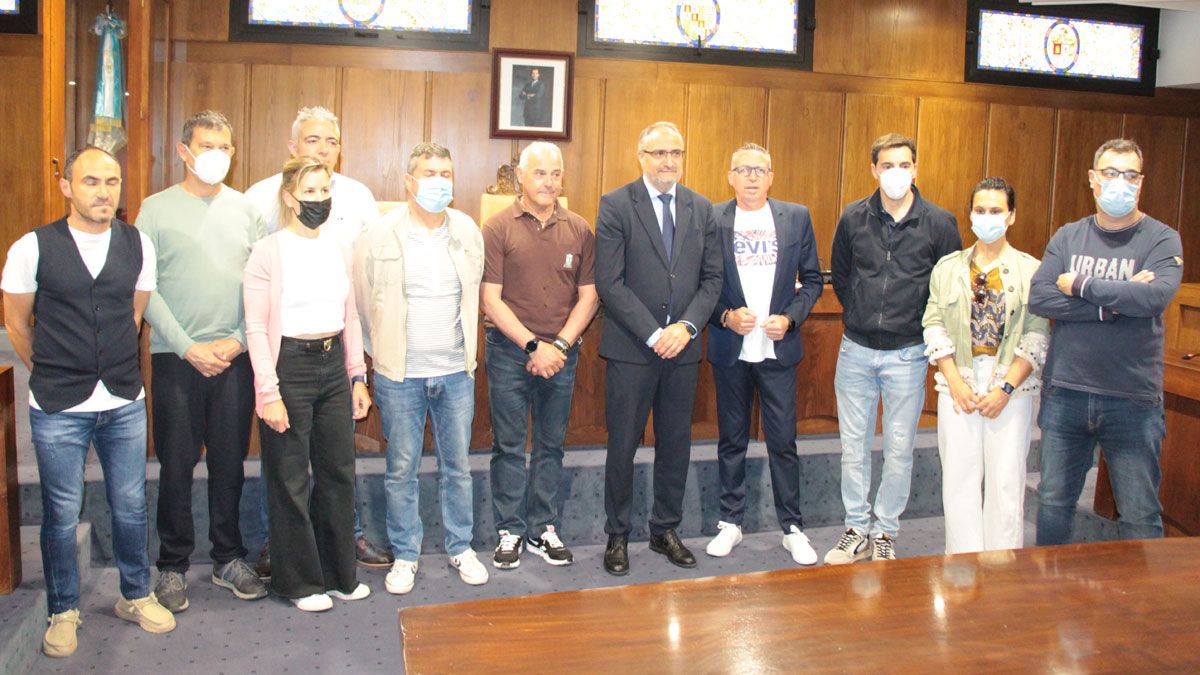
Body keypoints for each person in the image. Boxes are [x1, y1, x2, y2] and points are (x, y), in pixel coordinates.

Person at [2, 147, 175, 657]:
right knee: (60, 511)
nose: (104, 192)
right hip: (58, 404)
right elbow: (16, 323)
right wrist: (51, 369)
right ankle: (63, 609)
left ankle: (135, 594)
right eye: (92, 181)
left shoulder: (137, 243)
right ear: (66, 187)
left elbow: (134, 316)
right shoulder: (32, 247)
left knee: (129, 504)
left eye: (113, 182)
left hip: (123, 398)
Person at [244, 105, 391, 572]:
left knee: (336, 458)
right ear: (292, 147)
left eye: (331, 142)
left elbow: (365, 277)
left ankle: (343, 540)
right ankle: (278, 543)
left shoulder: (358, 196)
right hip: (286, 349)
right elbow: (254, 285)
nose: (323, 150)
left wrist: (359, 364)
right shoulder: (261, 197)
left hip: (339, 347)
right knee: (285, 461)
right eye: (312, 141)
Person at [137, 110, 267, 612]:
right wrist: (188, 346)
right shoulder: (154, 209)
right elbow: (144, 290)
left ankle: (228, 557)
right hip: (176, 356)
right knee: (175, 463)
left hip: (234, 357)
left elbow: (259, 285)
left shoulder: (246, 210)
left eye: (225, 146)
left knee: (230, 462)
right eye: (206, 144)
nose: (216, 154)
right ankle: (172, 565)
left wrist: (236, 341)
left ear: (233, 154)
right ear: (183, 150)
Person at [1029, 138, 1184, 545]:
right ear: (1093, 180)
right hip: (1067, 392)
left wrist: (1080, 284)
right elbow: (1041, 297)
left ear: (1141, 182)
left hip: (1132, 399)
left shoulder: (1162, 239)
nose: (1121, 182)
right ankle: (1046, 592)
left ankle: (1142, 606)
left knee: (1140, 513)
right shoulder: (1068, 236)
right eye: (1111, 173)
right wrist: (1112, 304)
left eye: (1130, 174)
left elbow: (1152, 297)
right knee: (1053, 503)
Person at [354, 142, 489, 593]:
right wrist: (382, 355)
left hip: (454, 372)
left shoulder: (468, 230)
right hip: (400, 376)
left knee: (457, 467)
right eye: (429, 173)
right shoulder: (380, 233)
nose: (438, 182)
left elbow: (473, 297)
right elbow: (362, 300)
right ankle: (406, 554)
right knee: (401, 468)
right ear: (409, 182)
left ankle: (460, 547)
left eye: (446, 174)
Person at [826, 133, 961, 564]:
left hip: (908, 353)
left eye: (904, 165)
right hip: (857, 350)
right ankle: (855, 528)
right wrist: (863, 313)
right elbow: (843, 277)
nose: (896, 173)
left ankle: (885, 531)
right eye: (887, 165)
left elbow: (947, 286)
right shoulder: (853, 217)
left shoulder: (940, 222)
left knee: (899, 448)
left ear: (916, 169)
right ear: (874, 170)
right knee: (853, 447)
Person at [595, 121, 722, 576]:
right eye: (659, 153)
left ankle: (665, 528)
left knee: (676, 442)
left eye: (676, 153)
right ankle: (618, 534)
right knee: (623, 444)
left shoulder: (702, 208)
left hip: (684, 349)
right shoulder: (615, 205)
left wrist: (685, 327)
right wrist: (654, 333)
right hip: (633, 347)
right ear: (641, 156)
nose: (669, 161)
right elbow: (609, 282)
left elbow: (712, 280)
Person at [481, 141, 599, 570]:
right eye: (539, 173)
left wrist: (559, 347)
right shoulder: (497, 228)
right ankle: (510, 530)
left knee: (552, 446)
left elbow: (589, 297)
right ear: (520, 178)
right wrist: (533, 345)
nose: (548, 181)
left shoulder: (581, 229)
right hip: (510, 352)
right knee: (509, 447)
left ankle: (543, 528)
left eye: (555, 174)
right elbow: (490, 299)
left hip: (562, 355)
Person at [704, 143, 823, 565]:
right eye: (743, 169)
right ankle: (730, 522)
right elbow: (703, 284)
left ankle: (792, 527)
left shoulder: (796, 217)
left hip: (777, 348)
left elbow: (812, 281)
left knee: (783, 441)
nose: (752, 177)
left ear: (771, 177)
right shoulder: (712, 217)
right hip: (731, 347)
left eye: (760, 170)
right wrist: (724, 317)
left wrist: (789, 319)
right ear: (730, 177)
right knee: (731, 440)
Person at [922, 177, 1048, 554]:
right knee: (959, 479)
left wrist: (1005, 388)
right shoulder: (947, 268)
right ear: (970, 214)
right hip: (957, 382)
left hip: (1010, 385)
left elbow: (1037, 333)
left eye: (996, 211)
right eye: (980, 210)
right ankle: (961, 568)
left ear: (1011, 217)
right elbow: (933, 322)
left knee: (1006, 481)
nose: (987, 217)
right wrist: (954, 380)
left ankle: (1002, 570)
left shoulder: (1031, 270)